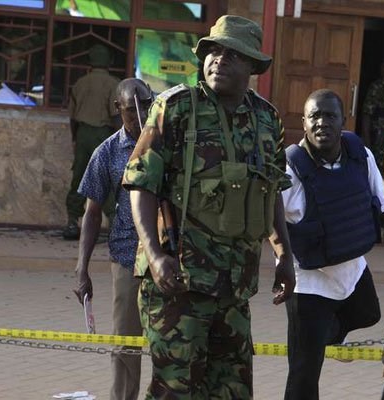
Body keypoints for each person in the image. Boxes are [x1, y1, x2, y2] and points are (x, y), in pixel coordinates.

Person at [122, 15, 295, 399]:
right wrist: (154, 255)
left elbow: (272, 191)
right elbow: (140, 183)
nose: (218, 60)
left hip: (235, 288)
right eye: (213, 51)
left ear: (253, 65)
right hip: (179, 283)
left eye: (232, 54)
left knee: (232, 392)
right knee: (175, 391)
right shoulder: (176, 108)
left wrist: (284, 254)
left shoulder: (266, 119)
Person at [282, 89, 384, 400]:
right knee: (303, 375)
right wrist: (280, 262)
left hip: (352, 267)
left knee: (370, 313)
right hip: (309, 282)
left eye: (330, 116)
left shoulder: (359, 153)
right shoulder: (290, 168)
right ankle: (313, 338)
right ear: (304, 122)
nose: (322, 123)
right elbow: (271, 222)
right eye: (314, 116)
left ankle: (326, 333)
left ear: (343, 121)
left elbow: (379, 204)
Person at [73, 78, 152, 400]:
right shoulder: (105, 153)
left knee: (172, 344)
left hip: (172, 259)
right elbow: (92, 213)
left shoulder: (171, 146)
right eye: (131, 109)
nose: (140, 113)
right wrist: (82, 268)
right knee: (126, 343)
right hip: (126, 257)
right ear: (117, 109)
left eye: (146, 104)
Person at [63, 44, 120, 240]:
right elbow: (116, 116)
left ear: (90, 61)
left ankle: (72, 222)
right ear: (109, 62)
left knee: (78, 177)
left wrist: (75, 138)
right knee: (106, 178)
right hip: (103, 134)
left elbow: (72, 116)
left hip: (82, 134)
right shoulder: (113, 84)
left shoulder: (80, 83)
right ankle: (113, 223)